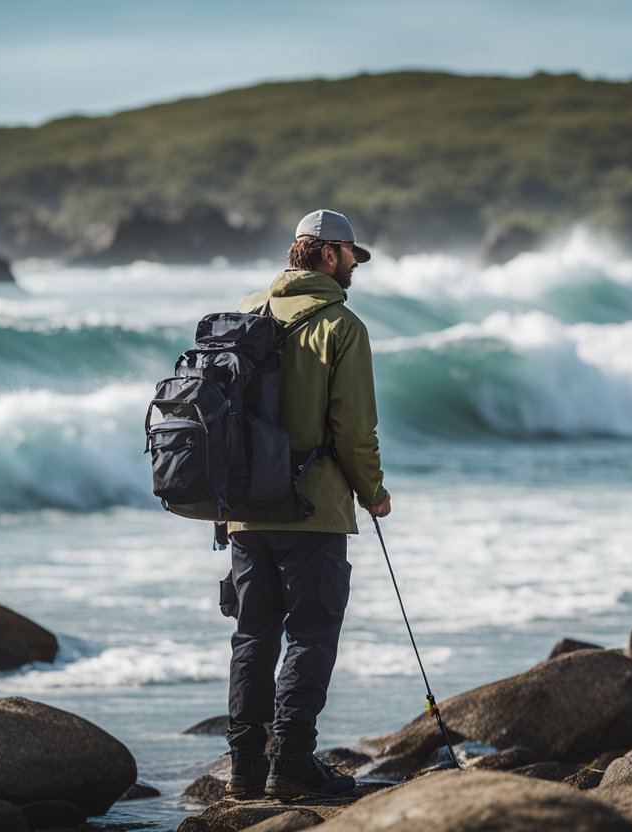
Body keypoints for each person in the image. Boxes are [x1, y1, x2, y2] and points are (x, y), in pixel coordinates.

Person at [225, 209, 391, 800]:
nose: (354, 267)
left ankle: (244, 770)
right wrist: (373, 493)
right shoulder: (343, 326)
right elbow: (352, 431)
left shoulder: (245, 310)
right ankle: (291, 764)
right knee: (311, 636)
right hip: (312, 511)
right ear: (327, 255)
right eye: (351, 256)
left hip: (244, 510)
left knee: (252, 636)